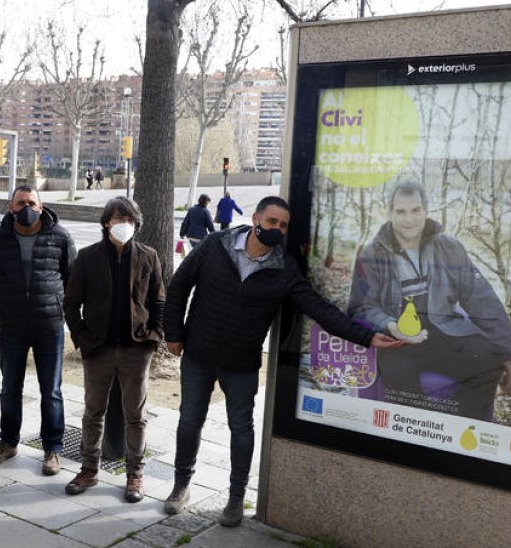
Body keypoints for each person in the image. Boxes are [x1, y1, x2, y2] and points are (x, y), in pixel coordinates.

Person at [163, 196, 404, 527]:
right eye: (272, 222)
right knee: (189, 421)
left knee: (242, 429)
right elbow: (179, 286)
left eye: (283, 226)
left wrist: (367, 337)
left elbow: (320, 309)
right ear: (256, 218)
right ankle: (181, 485)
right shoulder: (216, 245)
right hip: (199, 355)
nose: (277, 229)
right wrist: (173, 334)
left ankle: (235, 499)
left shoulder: (284, 269)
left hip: (241, 363)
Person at [349, 181, 511, 420]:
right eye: (400, 211)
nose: (409, 219)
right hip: (398, 339)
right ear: (389, 213)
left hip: (443, 329)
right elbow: (361, 308)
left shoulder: (449, 248)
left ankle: (461, 432)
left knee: (488, 364)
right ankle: (413, 437)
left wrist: (509, 352)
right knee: (403, 383)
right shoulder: (372, 255)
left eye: (415, 210)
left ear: (426, 210)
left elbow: (482, 298)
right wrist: (391, 326)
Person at [63, 197, 164, 503]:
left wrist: (154, 337)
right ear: (107, 222)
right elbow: (70, 303)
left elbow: (158, 301)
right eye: (119, 219)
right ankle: (89, 468)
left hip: (137, 348)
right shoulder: (88, 256)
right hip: (98, 348)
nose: (125, 225)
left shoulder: (149, 256)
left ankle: (135, 474)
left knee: (136, 414)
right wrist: (82, 337)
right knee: (94, 411)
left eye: (131, 220)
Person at [0, 184, 77, 475]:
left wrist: (55, 303)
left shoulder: (59, 236)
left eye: (32, 203)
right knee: (10, 388)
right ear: (11, 207)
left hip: (49, 326)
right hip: (11, 326)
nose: (27, 208)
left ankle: (53, 449)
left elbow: (71, 277)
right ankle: (8, 442)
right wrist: (6, 305)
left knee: (52, 391)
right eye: (21, 202)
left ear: (41, 205)